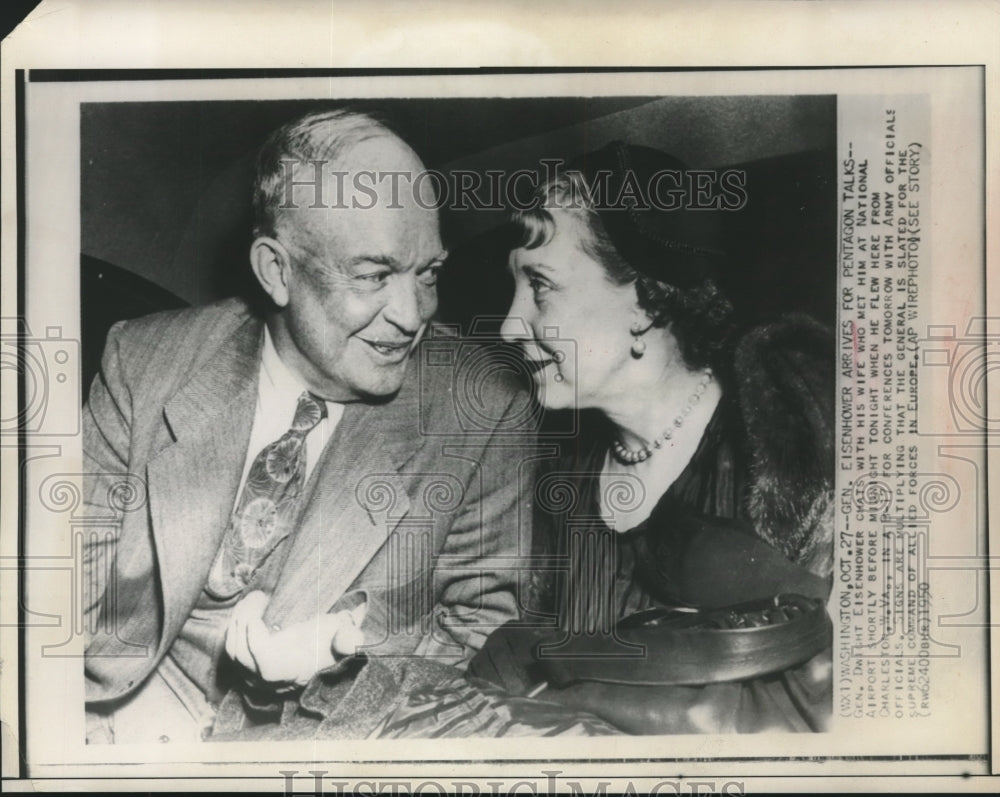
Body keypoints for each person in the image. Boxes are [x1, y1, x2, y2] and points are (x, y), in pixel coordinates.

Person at [82, 109, 534, 743]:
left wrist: (338, 654)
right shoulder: (143, 359)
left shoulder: (483, 411)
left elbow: (488, 636)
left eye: (427, 274)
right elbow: (59, 577)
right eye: (374, 275)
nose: (411, 316)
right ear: (277, 271)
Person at [375, 140, 834, 737]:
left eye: (540, 286)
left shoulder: (800, 460)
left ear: (645, 302)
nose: (512, 325)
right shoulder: (543, 475)